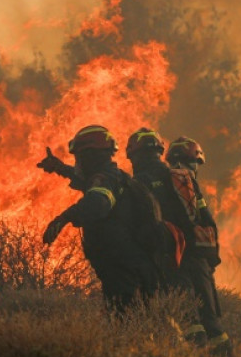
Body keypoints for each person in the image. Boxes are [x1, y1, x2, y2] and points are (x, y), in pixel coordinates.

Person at [127, 129, 231, 356]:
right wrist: (211, 259)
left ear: (135, 155)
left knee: (188, 317)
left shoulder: (138, 183)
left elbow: (137, 226)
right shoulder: (183, 178)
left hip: (171, 257)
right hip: (199, 258)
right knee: (211, 319)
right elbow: (207, 222)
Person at [38, 125, 161, 311]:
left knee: (124, 318)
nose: (78, 163)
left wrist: (64, 218)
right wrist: (60, 168)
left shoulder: (106, 179)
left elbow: (97, 203)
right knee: (138, 318)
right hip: (132, 265)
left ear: (90, 156)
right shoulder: (114, 176)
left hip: (123, 268)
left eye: (79, 157)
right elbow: (87, 183)